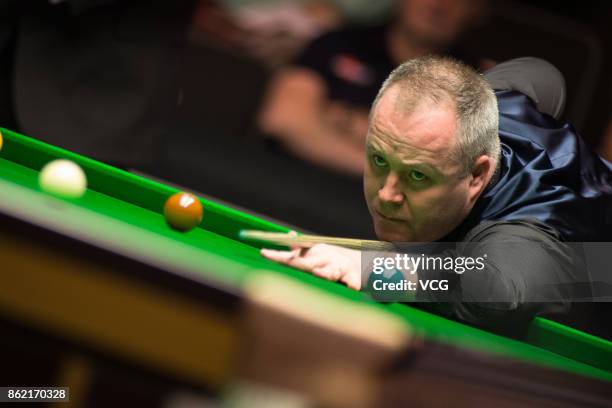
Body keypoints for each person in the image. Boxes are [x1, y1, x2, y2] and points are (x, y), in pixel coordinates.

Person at [260, 56, 612, 333]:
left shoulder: (526, 226)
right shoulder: (481, 107)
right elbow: (542, 74)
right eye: (379, 160)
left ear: (477, 176)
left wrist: (378, 269)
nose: (386, 194)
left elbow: (501, 295)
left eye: (417, 175)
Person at [258, 0, 487, 176]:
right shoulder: (337, 43)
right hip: (290, 183)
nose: (439, 5)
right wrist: (396, 167)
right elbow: (283, 121)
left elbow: (454, 172)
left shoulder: (478, 85)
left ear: (477, 12)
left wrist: (351, 125)